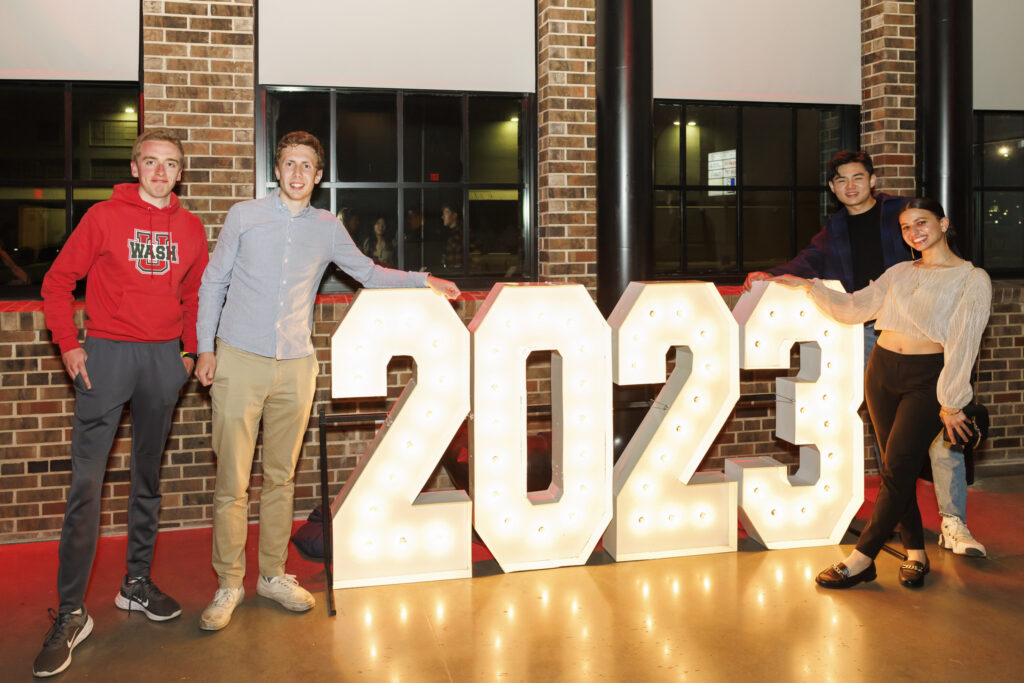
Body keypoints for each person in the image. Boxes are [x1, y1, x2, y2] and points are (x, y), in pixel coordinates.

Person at [194, 131, 461, 631]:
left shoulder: (326, 227)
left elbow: (369, 272)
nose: (297, 174)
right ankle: (228, 582)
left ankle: (271, 575)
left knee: (281, 477)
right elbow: (213, 283)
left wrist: (422, 279)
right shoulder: (243, 217)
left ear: (318, 176)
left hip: (296, 365)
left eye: (307, 167)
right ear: (277, 170)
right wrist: (205, 348)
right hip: (238, 359)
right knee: (232, 482)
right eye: (289, 164)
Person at [744, 150, 987, 558]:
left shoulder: (900, 213)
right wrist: (778, 275)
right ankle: (901, 523)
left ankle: (952, 520)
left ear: (873, 180)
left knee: (940, 437)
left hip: (931, 341)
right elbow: (812, 262)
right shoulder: (835, 228)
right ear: (833, 188)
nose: (850, 186)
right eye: (841, 180)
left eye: (858, 177)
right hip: (875, 333)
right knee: (892, 443)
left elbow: (941, 270)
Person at [34, 129, 208, 677]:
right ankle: (69, 613)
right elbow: (57, 282)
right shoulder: (104, 217)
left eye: (171, 164)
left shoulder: (191, 227)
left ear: (181, 173)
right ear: (136, 167)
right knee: (86, 487)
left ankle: (135, 583)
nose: (160, 172)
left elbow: (195, 293)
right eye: (151, 162)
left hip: (162, 361)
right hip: (106, 355)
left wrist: (189, 352)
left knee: (147, 479)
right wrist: (68, 343)